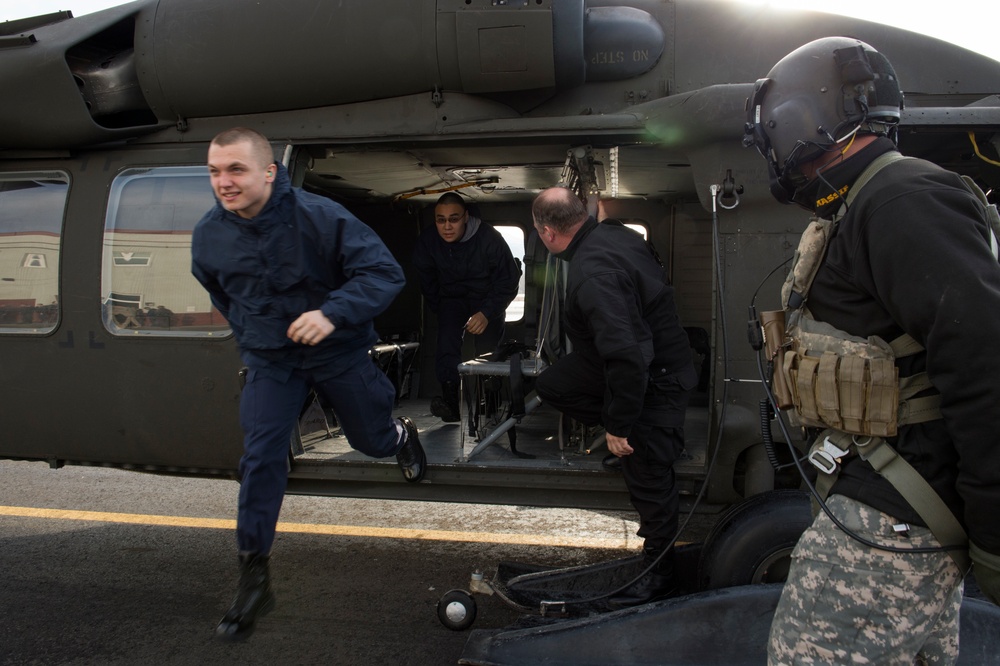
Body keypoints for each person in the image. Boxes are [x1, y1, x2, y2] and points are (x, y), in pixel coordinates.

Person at [745, 37, 1000, 663]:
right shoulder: (868, 203)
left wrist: (996, 539)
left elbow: (986, 368)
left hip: (896, 514)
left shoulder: (900, 201)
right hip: (889, 503)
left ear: (805, 123)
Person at [191, 127, 427, 641]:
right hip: (272, 360)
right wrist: (257, 336)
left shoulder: (319, 216)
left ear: (269, 172)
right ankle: (254, 575)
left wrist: (331, 314)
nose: (224, 182)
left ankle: (401, 436)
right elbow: (219, 291)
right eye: (214, 171)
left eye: (236, 169)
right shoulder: (210, 235)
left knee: (371, 441)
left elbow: (384, 274)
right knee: (260, 455)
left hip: (336, 350)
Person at [530, 187, 697, 608]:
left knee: (649, 473)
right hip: (635, 363)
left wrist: (621, 424)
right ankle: (625, 428)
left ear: (548, 232)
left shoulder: (593, 274)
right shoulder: (616, 235)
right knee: (554, 384)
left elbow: (628, 355)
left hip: (654, 375)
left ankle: (660, 575)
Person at [412, 192, 521, 421]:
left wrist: (488, 312)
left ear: (465, 217)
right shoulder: (428, 241)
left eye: (453, 219)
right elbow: (427, 281)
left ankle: (489, 402)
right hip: (452, 299)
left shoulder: (489, 238)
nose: (447, 226)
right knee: (446, 343)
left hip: (487, 298)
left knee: (489, 350)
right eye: (441, 220)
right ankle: (451, 403)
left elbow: (508, 281)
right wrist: (442, 309)